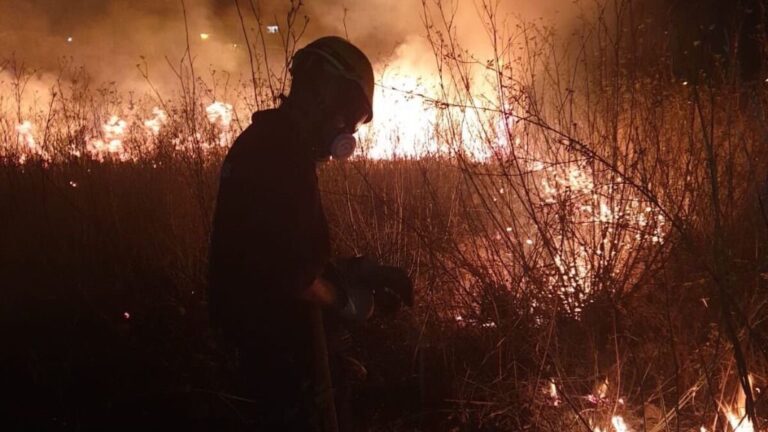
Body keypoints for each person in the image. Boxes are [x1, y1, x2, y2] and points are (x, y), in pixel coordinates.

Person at [207, 36, 377, 431]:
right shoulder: (282, 155)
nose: (348, 127)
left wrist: (346, 270)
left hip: (252, 344)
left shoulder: (264, 141)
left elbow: (272, 244)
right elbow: (292, 275)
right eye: (350, 112)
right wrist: (344, 300)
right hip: (275, 356)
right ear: (324, 92)